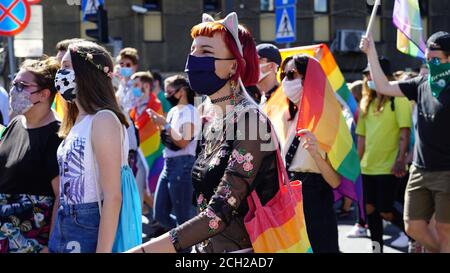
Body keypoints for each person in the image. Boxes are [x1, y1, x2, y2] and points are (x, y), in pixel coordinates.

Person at [128, 12, 279, 253]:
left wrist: (144, 251)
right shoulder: (215, 119)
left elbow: (217, 215)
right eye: (193, 49)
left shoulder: (251, 121)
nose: (194, 58)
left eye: (206, 52)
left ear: (233, 65)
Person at [360, 31, 450, 253]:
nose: (431, 64)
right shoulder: (420, 84)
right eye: (428, 60)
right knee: (413, 226)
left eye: (436, 60)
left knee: (443, 228)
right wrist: (371, 53)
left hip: (447, 172)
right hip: (419, 171)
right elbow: (383, 86)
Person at [49, 41, 128, 253]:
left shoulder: (103, 119)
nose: (59, 74)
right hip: (65, 224)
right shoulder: (78, 120)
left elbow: (113, 197)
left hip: (88, 225)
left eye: (66, 67)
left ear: (86, 73)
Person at [274, 54, 341, 253]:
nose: (286, 81)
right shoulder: (287, 115)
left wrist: (315, 154)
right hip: (289, 196)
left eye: (292, 74)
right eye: (283, 75)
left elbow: (336, 181)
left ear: (308, 78)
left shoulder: (329, 118)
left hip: (315, 196)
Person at [0, 57, 61, 253]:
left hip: (30, 239)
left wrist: (50, 245)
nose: (13, 90)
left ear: (44, 94)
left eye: (22, 85)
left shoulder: (56, 135)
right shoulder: (17, 123)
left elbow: (62, 196)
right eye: (14, 84)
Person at [356, 57, 412, 252]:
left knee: (386, 211)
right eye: (367, 74)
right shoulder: (366, 102)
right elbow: (361, 137)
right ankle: (376, 249)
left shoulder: (399, 98)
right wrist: (356, 163)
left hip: (389, 167)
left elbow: (405, 131)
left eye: (372, 73)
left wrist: (400, 159)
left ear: (384, 75)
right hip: (367, 167)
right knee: (370, 211)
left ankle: (416, 237)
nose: (368, 78)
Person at [147, 75, 200, 239]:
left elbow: (183, 141)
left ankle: (187, 242)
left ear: (182, 91)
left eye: (170, 91)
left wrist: (165, 125)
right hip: (169, 163)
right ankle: (186, 236)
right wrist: (161, 125)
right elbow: (170, 140)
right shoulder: (172, 111)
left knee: (183, 217)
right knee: (160, 213)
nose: (167, 95)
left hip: (183, 164)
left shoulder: (190, 111)